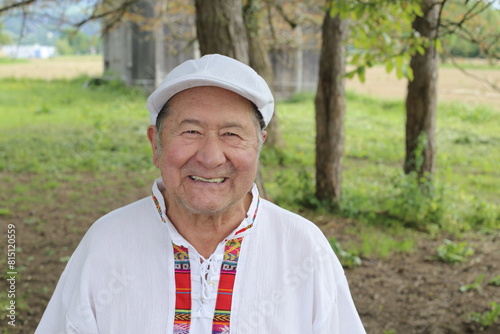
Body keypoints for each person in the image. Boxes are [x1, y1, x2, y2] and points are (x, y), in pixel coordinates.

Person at [36, 54, 366, 334]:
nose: (210, 157)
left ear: (259, 144)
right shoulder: (106, 243)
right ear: (156, 143)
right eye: (191, 131)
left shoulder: (304, 248)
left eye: (232, 134)